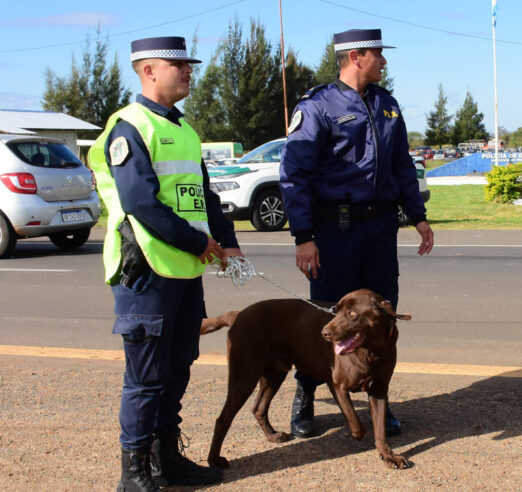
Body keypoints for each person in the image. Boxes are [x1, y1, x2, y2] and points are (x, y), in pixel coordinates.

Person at [88, 36, 241, 491]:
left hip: (184, 273)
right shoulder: (129, 126)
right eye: (180, 65)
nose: (189, 71)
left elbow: (204, 195)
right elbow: (140, 203)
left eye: (189, 65)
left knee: (177, 368)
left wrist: (227, 242)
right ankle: (134, 475)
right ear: (148, 70)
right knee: (146, 378)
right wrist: (199, 243)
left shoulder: (186, 130)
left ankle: (166, 459)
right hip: (146, 272)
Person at [279, 28, 433, 440]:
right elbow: (294, 175)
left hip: (380, 229)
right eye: (379, 54)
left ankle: (379, 398)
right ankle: (307, 394)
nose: (384, 61)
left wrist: (417, 215)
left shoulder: (387, 105)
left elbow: (402, 165)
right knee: (327, 319)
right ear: (356, 57)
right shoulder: (318, 106)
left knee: (379, 317)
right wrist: (303, 236)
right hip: (334, 230)